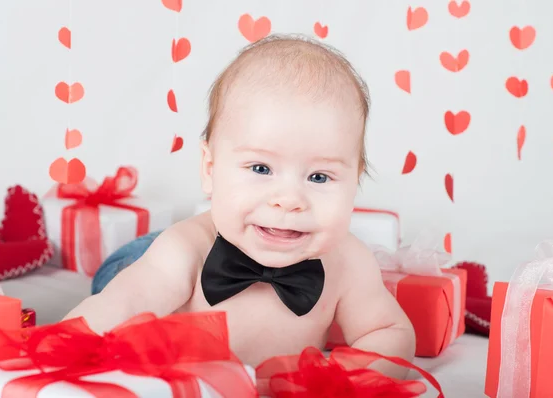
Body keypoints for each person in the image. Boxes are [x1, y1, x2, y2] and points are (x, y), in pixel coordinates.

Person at [64, 34, 415, 378]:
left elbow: (390, 333)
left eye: (319, 177)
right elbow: (122, 304)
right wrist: (62, 346)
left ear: (355, 182)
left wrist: (329, 378)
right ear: (210, 169)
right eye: (261, 169)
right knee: (133, 296)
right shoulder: (185, 250)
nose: (289, 200)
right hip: (151, 261)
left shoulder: (349, 262)